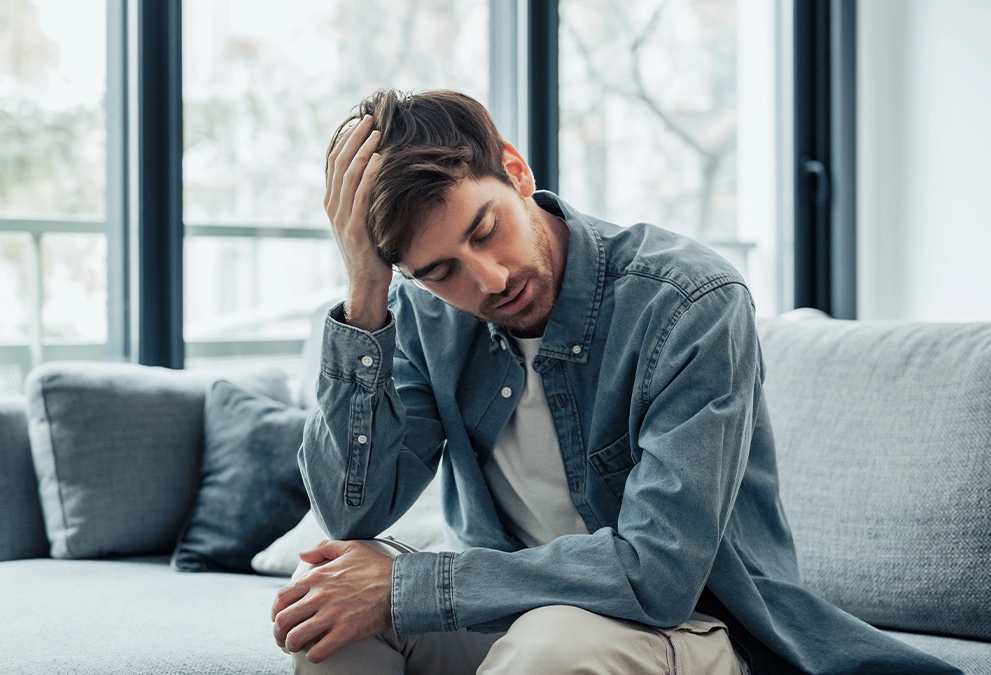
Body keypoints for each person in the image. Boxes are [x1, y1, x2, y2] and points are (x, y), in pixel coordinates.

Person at [270, 89, 958, 675]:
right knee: (323, 607)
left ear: (514, 170)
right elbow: (352, 513)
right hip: (510, 611)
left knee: (551, 646)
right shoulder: (426, 316)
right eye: (440, 270)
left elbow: (657, 573)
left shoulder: (689, 302)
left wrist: (413, 585)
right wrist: (366, 294)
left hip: (691, 626)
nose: (488, 280)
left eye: (485, 230)